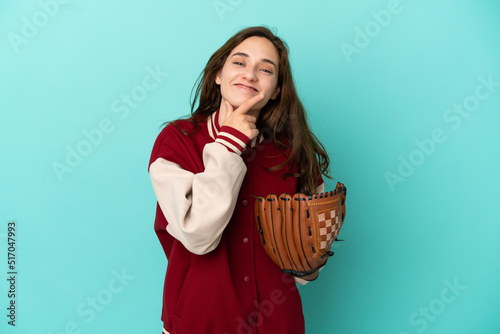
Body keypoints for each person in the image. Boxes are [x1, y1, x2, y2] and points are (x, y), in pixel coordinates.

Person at [148, 26, 331, 334]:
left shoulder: (292, 150)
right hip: (198, 323)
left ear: (275, 90)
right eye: (240, 62)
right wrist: (229, 143)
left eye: (266, 69)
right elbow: (197, 236)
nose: (250, 74)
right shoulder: (177, 140)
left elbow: (306, 261)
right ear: (218, 74)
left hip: (278, 323)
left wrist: (310, 260)